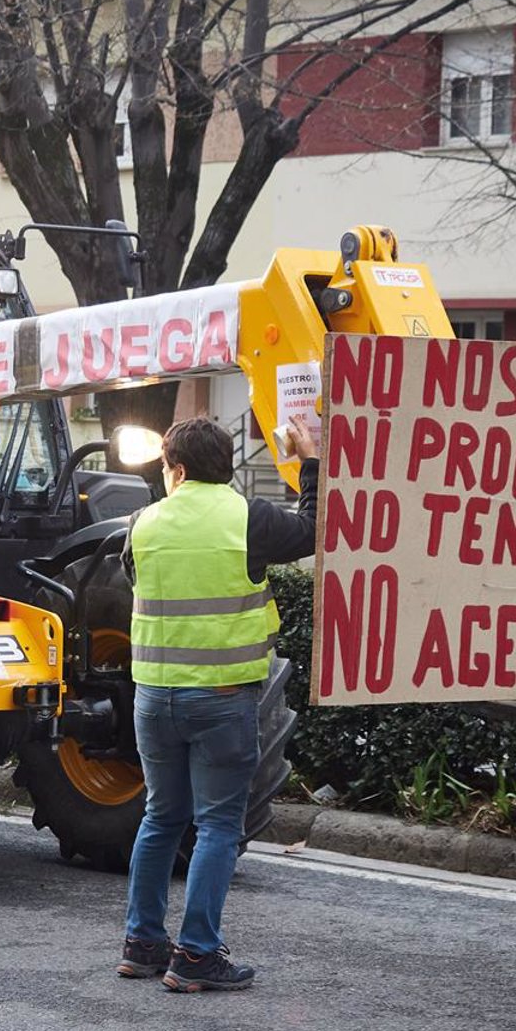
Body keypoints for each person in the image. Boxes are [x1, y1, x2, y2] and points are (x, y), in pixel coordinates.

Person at [118, 414, 319, 993]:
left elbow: (136, 580)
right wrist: (309, 459)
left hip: (154, 699)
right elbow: (312, 529)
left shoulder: (142, 522)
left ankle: (142, 943)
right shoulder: (247, 518)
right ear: (223, 465)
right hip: (223, 699)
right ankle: (198, 955)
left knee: (160, 817)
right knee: (218, 826)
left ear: (175, 469)